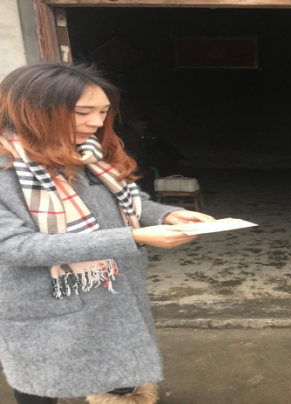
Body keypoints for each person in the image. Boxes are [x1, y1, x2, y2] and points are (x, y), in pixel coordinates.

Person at [0, 63, 214, 404]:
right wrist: (133, 238)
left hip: (110, 287)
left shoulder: (88, 155)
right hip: (44, 296)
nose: (97, 123)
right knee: (42, 378)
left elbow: (127, 203)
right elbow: (14, 246)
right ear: (33, 110)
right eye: (83, 112)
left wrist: (167, 214)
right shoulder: (7, 169)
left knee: (117, 370)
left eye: (102, 112)